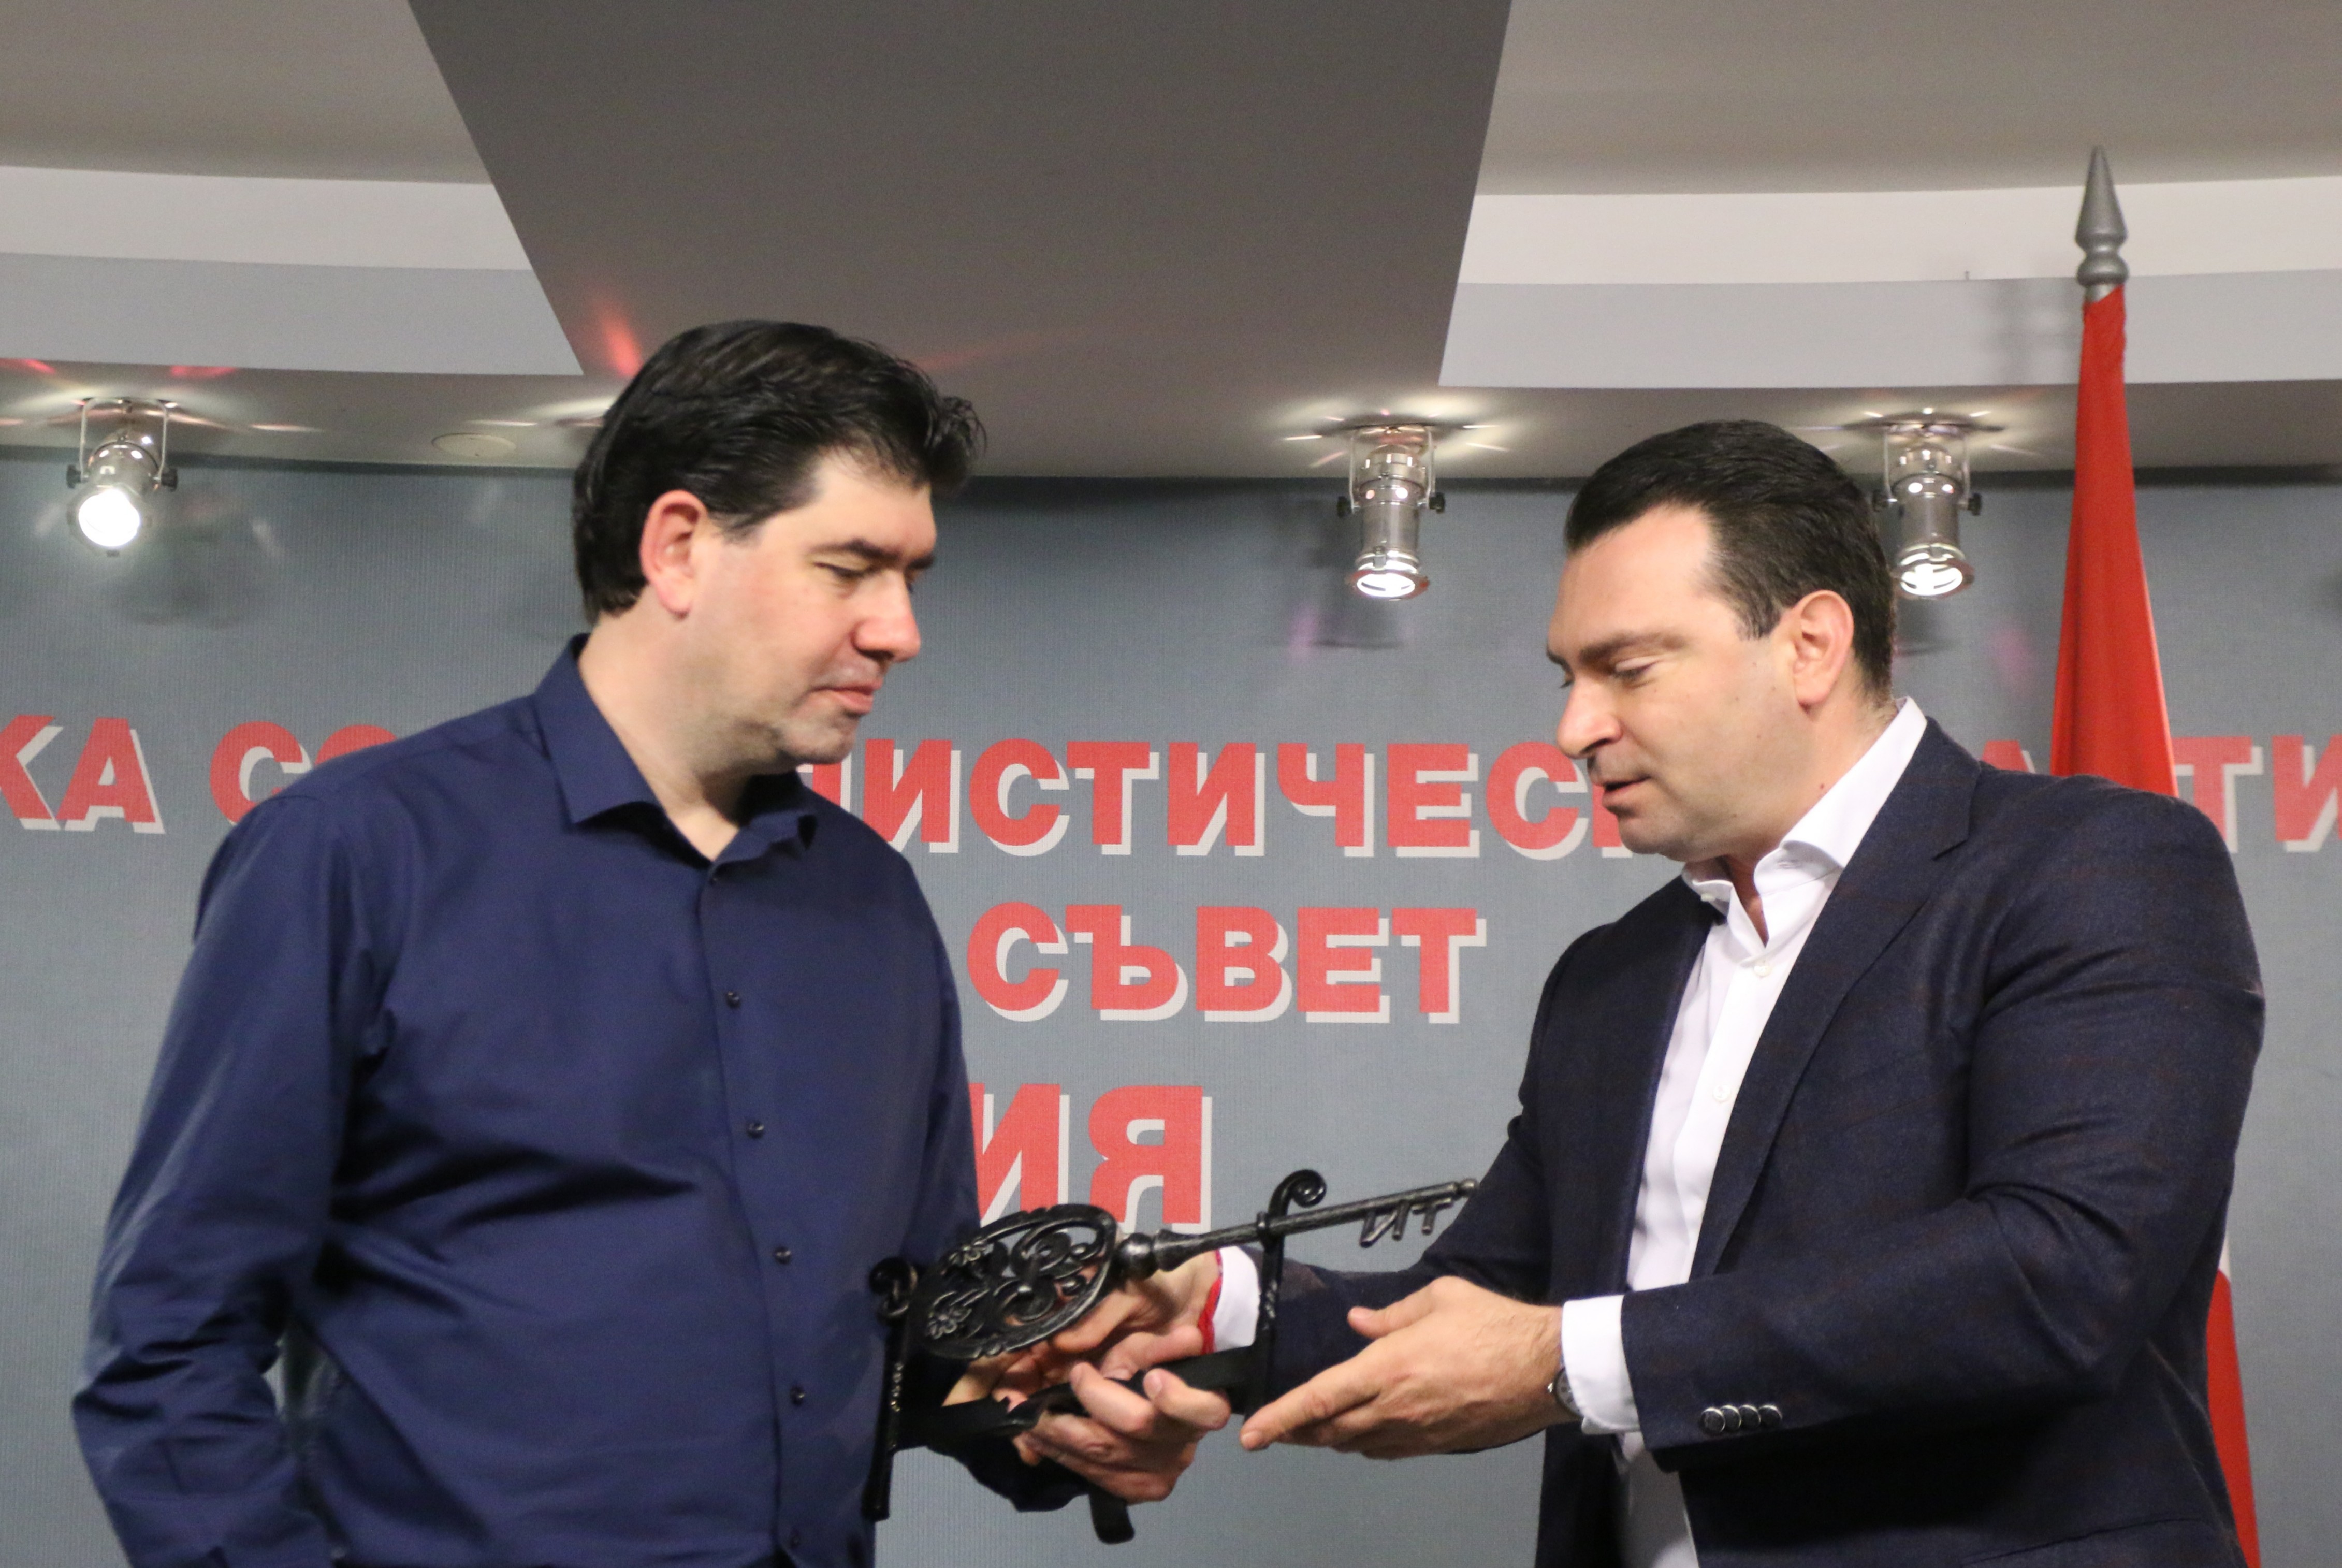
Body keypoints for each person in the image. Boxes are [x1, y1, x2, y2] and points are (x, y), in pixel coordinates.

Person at [73, 320, 1219, 1568]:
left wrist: (1056, 1427)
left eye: (912, 577)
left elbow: (922, 1331)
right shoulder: (356, 849)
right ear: (678, 545)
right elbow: (171, 1338)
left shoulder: (873, 899)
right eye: (850, 568)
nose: (900, 629)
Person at [1054, 419, 2262, 1566]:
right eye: (1569, 676)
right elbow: (1481, 1309)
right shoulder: (1612, 977)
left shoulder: (2094, 865)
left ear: (1810, 644)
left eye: (1627, 669)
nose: (1574, 727)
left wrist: (1574, 1358)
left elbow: (2061, 1273)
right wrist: (1223, 1308)